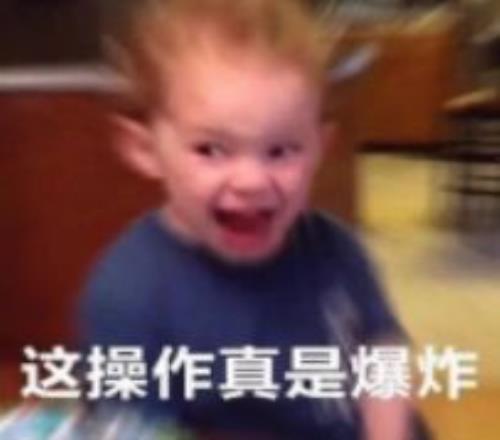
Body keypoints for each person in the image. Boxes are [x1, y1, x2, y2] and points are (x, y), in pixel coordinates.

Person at [79, 0, 423, 438]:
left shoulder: (337, 249)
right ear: (145, 149)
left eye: (281, 151)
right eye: (211, 150)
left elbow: (381, 350)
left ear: (320, 148)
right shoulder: (129, 296)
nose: (251, 181)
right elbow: (135, 429)